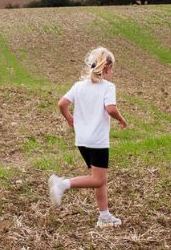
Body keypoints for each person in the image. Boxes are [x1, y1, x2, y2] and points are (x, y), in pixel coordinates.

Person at [48, 47, 129, 227]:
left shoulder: (79, 86)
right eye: (112, 69)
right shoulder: (108, 87)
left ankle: (104, 216)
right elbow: (111, 109)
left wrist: (69, 118)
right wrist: (122, 120)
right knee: (99, 179)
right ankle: (62, 184)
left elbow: (61, 104)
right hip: (98, 141)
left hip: (82, 141)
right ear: (106, 68)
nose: (112, 73)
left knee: (98, 178)